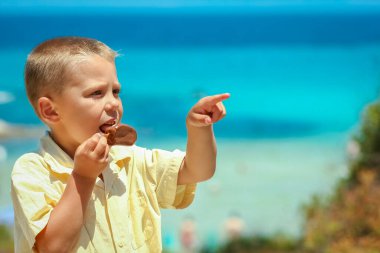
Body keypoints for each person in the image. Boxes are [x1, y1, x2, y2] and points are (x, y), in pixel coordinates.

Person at [10, 37, 229, 252]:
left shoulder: (131, 159)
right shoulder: (32, 171)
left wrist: (199, 129)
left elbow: (198, 170)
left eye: (115, 91)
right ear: (50, 111)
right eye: (96, 93)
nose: (113, 103)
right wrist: (83, 177)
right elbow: (53, 247)